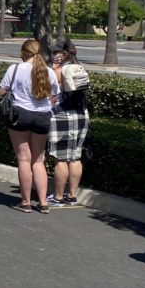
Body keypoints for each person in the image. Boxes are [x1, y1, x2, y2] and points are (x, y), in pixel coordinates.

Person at [0, 39, 59, 214]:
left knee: (24, 158)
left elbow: (2, 91)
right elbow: (54, 97)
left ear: (23, 53)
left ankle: (25, 202)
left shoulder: (15, 69)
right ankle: (43, 202)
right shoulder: (49, 72)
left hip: (20, 114)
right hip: (43, 115)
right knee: (38, 159)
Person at [47, 39, 89, 207]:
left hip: (61, 115)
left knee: (60, 158)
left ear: (63, 55)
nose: (53, 55)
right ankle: (72, 196)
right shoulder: (81, 68)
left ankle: (57, 198)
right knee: (75, 156)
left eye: (56, 52)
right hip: (81, 114)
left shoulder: (57, 71)